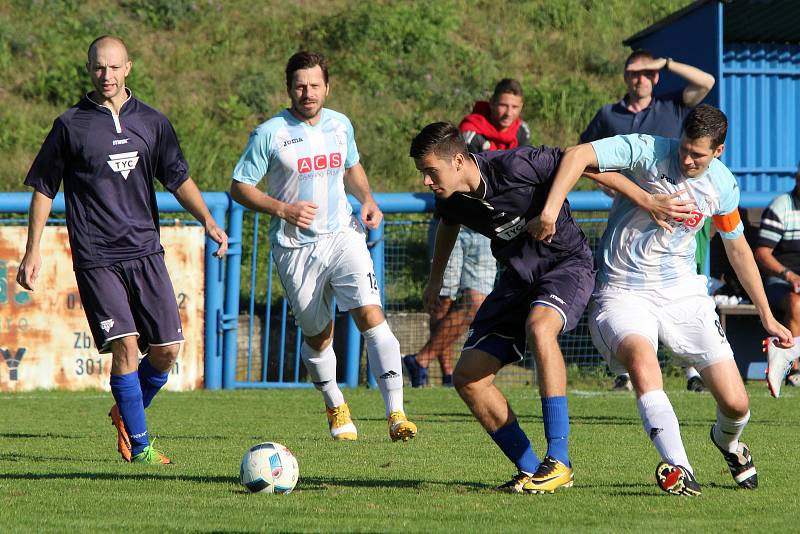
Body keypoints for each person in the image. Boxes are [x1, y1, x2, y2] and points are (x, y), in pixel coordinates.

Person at [409, 122, 688, 493]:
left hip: (566, 266)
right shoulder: (453, 198)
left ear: (458, 160)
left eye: (430, 171)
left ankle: (559, 458)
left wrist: (647, 200)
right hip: (518, 278)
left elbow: (583, 161)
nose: (426, 181)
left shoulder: (516, 165)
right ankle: (533, 470)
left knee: (541, 327)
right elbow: (448, 224)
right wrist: (435, 280)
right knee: (469, 378)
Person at [531, 104, 793, 495]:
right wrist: (641, 199)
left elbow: (738, 250)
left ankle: (728, 443)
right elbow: (577, 155)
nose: (687, 158)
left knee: (737, 403)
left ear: (718, 152)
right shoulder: (648, 150)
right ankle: (681, 468)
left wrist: (767, 316)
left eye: (698, 154)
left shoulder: (721, 185)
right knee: (641, 357)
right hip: (622, 291)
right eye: (685, 147)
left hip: (683, 293)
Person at [16, 35, 229, 465]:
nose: (106, 75)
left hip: (147, 251)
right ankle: (142, 445)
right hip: (97, 256)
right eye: (98, 67)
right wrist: (32, 250)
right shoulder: (70, 124)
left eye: (114, 68)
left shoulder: (152, 122)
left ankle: (125, 411)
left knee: (168, 350)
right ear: (89, 68)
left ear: (128, 67)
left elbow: (178, 178)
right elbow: (43, 188)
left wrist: (207, 219)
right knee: (126, 345)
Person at [229, 51, 416, 442]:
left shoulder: (340, 124)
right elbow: (240, 187)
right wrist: (283, 208)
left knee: (371, 315)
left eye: (315, 85)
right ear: (289, 89)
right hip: (296, 249)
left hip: (342, 236)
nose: (307, 92)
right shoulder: (270, 133)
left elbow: (351, 166)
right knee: (319, 338)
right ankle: (334, 403)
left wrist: (366, 199)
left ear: (327, 87)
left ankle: (396, 413)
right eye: (300, 85)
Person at [581, 48, 716, 393]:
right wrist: (616, 187)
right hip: (631, 215)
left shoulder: (672, 105)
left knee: (684, 283)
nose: (639, 78)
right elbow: (582, 155)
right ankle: (628, 370)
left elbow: (707, 81)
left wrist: (667, 62)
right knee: (624, 286)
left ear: (655, 76)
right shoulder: (609, 114)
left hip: (680, 216)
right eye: (633, 73)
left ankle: (692, 371)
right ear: (625, 77)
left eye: (646, 73)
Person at [405, 78, 530, 387]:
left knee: (475, 302)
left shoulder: (522, 133)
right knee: (443, 298)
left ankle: (421, 359)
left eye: (514, 107)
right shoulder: (470, 130)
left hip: (487, 226)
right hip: (458, 220)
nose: (507, 112)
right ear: (491, 102)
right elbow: (457, 185)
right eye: (502, 104)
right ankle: (444, 372)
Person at [755, 162, 800, 397]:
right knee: (797, 303)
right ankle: (795, 369)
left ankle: (785, 352)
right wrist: (789, 275)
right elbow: (762, 253)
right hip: (780, 280)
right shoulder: (781, 206)